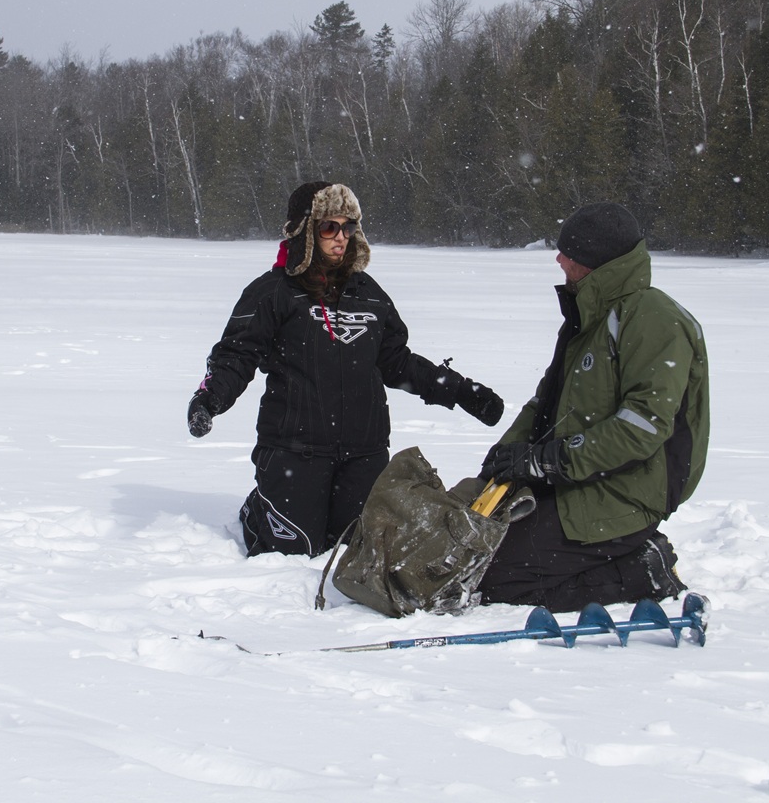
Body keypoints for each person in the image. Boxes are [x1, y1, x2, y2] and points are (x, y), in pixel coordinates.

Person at [188, 181, 506, 558]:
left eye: (348, 226)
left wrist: (460, 391)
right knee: (295, 550)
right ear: (304, 230)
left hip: (363, 451)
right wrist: (209, 399)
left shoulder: (368, 293)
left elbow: (397, 361)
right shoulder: (274, 292)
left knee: (356, 550)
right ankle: (259, 507)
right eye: (329, 227)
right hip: (295, 449)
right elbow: (236, 355)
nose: (341, 237)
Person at [476, 202, 709, 611]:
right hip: (577, 480)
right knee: (471, 551)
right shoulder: (592, 313)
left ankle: (641, 570)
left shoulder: (654, 318)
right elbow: (546, 401)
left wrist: (547, 461)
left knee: (492, 577)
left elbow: (642, 426)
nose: (559, 259)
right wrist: (507, 455)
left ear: (601, 265)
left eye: (572, 254)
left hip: (626, 493)